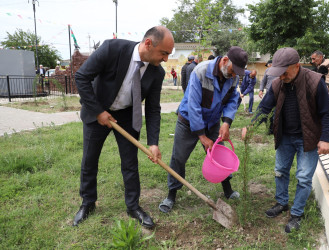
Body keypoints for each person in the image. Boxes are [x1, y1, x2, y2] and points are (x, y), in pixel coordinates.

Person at [73, 26, 174, 229]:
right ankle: (88, 202)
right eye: (164, 53)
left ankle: (133, 206)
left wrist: (153, 143)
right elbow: (81, 77)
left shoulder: (157, 73)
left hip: (127, 115)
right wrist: (98, 111)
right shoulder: (112, 49)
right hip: (98, 111)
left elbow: (153, 109)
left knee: (130, 164)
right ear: (148, 44)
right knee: (89, 160)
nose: (165, 59)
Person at [244, 47, 329, 233]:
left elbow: (327, 113)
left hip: (307, 138)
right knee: (280, 171)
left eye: (284, 72)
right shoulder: (278, 84)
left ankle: (296, 213)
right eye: (279, 73)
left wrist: (326, 138)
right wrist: (251, 127)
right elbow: (264, 108)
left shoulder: (315, 81)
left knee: (303, 177)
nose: (281, 76)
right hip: (285, 135)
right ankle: (281, 202)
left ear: (297, 66)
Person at [158, 46, 248, 213]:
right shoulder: (200, 71)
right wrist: (201, 135)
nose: (234, 75)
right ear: (225, 60)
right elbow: (193, 105)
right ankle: (171, 195)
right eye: (232, 70)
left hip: (212, 123)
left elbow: (232, 100)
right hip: (188, 122)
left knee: (220, 154)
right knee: (178, 158)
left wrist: (226, 122)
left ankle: (228, 190)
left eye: (237, 73)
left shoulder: (232, 77)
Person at [259, 59, 277, 134]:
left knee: (276, 112)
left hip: (278, 94)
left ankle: (276, 130)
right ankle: (269, 129)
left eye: (268, 65)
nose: (268, 66)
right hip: (269, 94)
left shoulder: (280, 70)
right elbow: (263, 81)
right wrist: (261, 90)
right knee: (267, 112)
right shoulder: (267, 71)